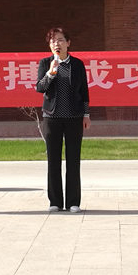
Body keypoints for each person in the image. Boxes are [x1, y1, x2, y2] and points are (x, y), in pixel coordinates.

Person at [36, 27, 90, 213]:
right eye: (52, 41)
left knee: (73, 160)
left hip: (74, 117)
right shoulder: (46, 63)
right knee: (53, 160)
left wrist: (86, 114)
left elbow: (84, 91)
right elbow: (40, 88)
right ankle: (55, 202)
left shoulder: (77, 64)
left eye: (60, 40)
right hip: (51, 118)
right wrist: (51, 73)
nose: (56, 44)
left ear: (68, 43)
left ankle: (73, 202)